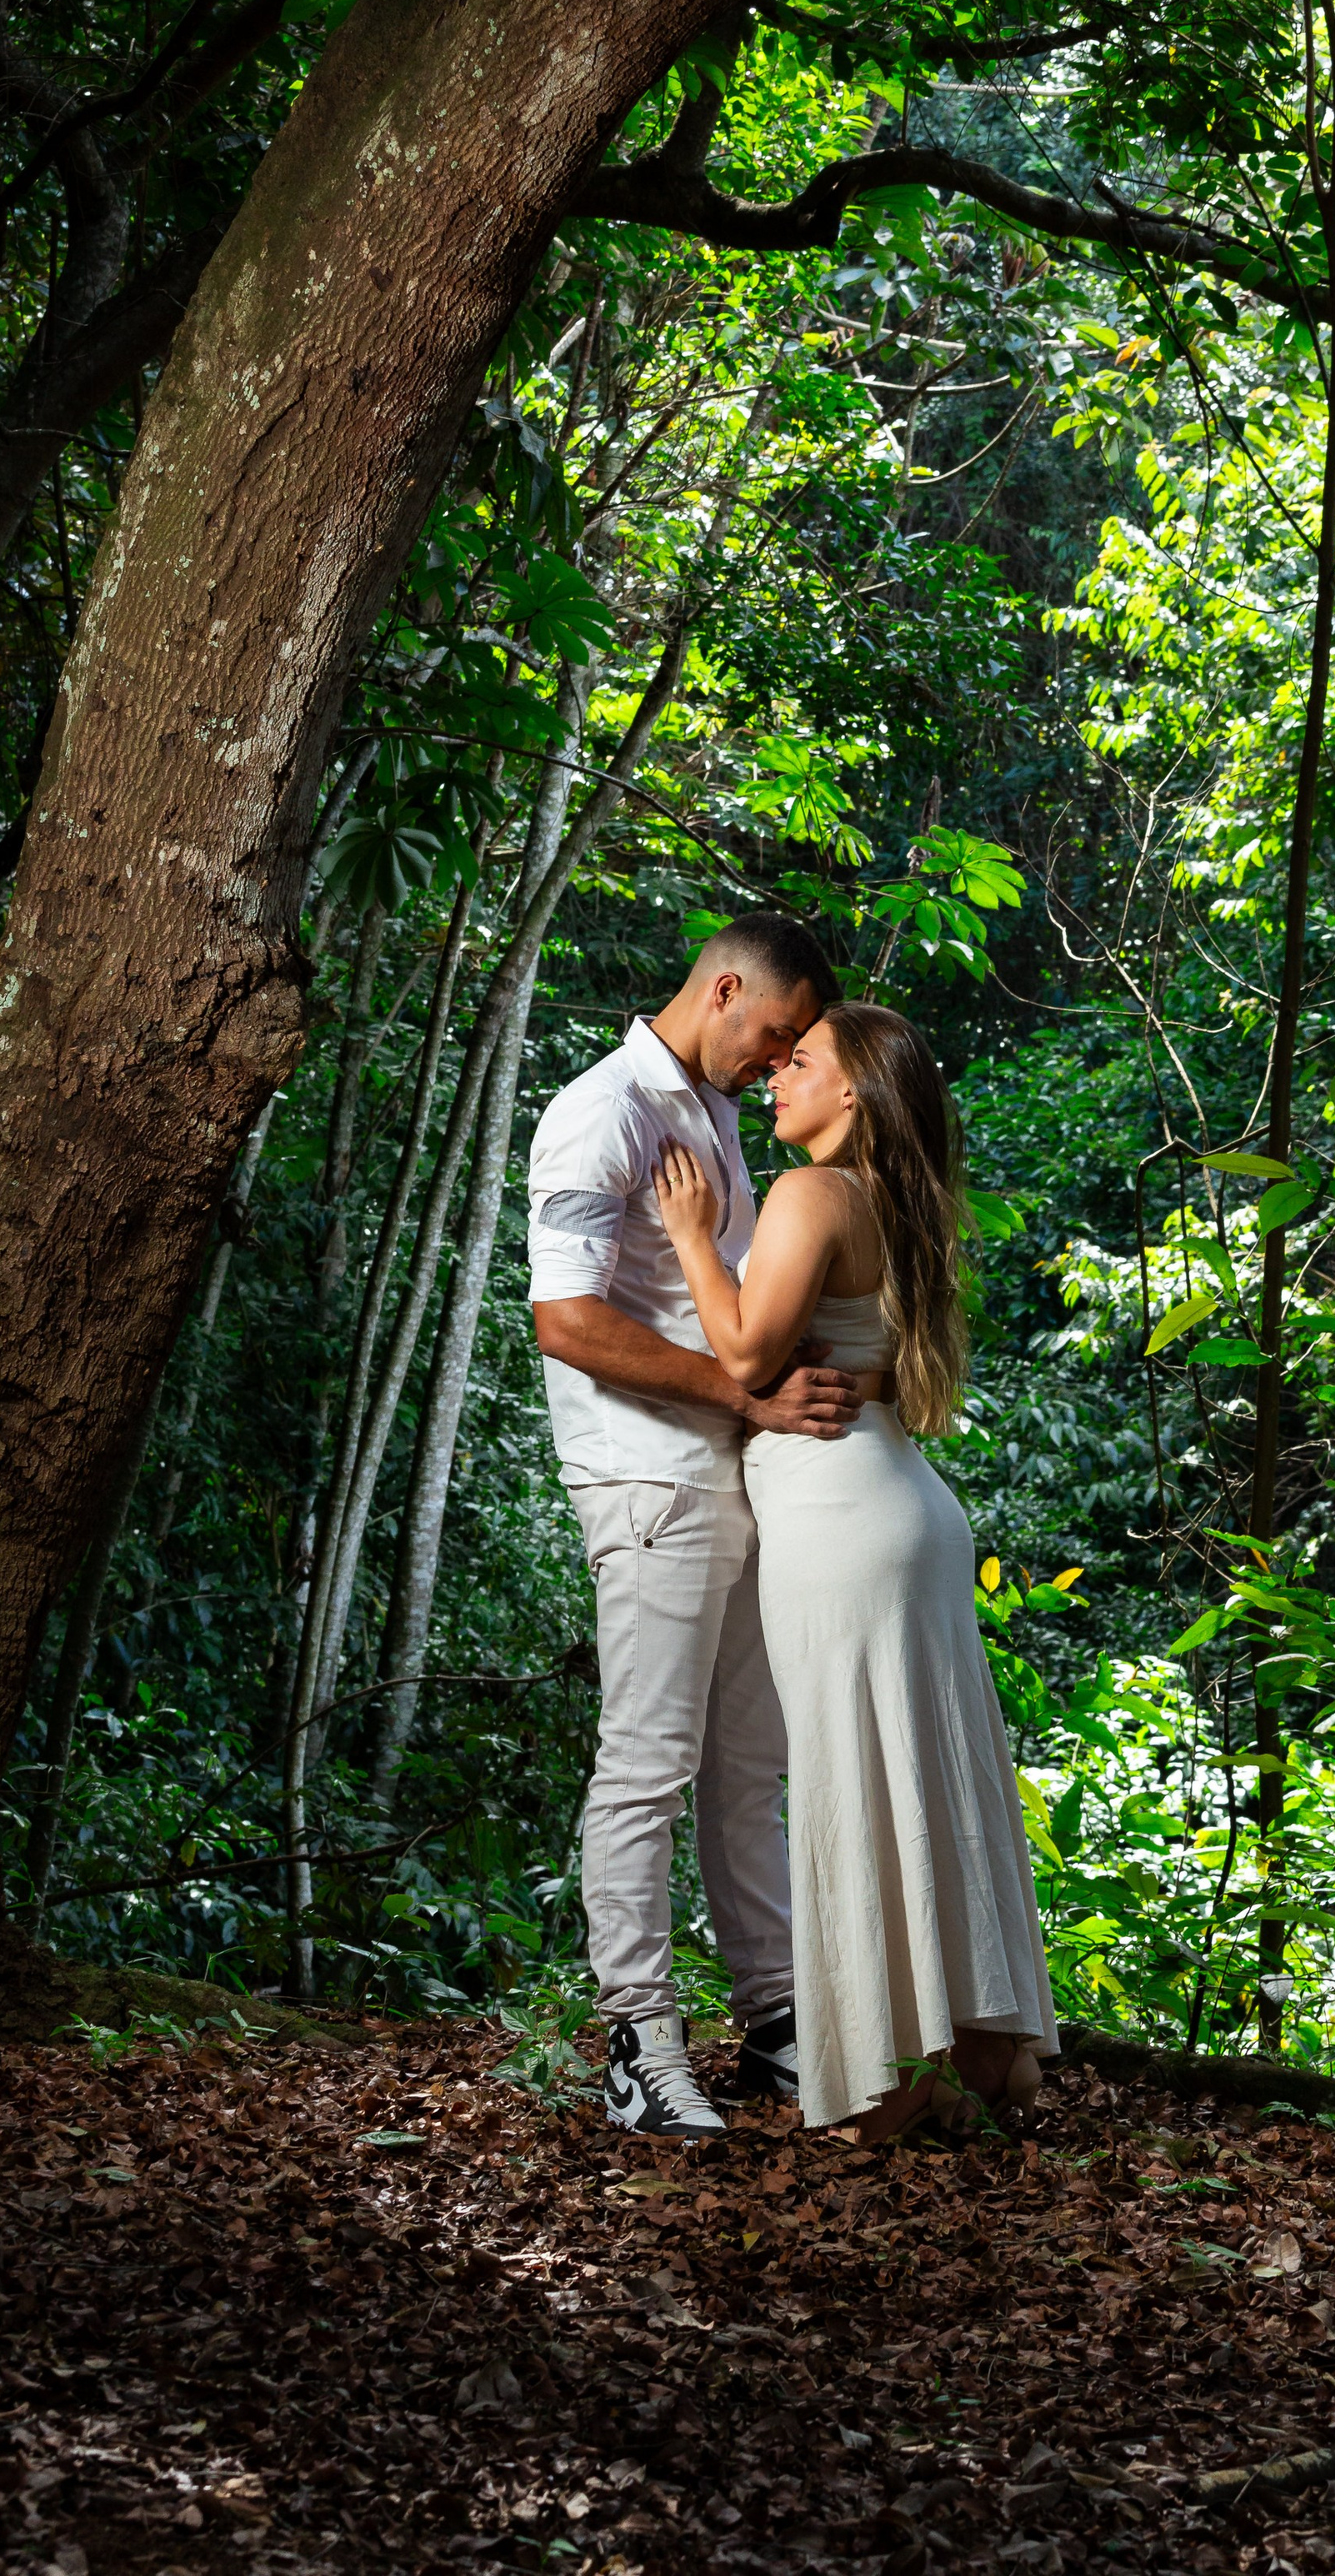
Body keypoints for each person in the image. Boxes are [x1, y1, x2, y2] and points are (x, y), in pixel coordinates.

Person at [653, 997, 1057, 2142]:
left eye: (805, 1063)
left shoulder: (814, 1194)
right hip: (906, 1505)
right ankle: (982, 2048)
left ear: (855, 1095)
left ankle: (891, 2075)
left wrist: (689, 1232)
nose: (779, 1074)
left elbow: (746, 1352)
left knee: (849, 1778)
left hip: (839, 1517)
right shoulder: (907, 1202)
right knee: (929, 1783)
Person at [528, 912, 860, 2144]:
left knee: (744, 1771)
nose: (776, 1063)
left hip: (736, 1474)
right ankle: (638, 2045)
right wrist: (743, 1395)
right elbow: (565, 1321)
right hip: (645, 1480)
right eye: (774, 1034)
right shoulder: (603, 1108)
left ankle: (773, 2025)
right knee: (648, 1762)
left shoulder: (709, 1109)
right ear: (723, 989)